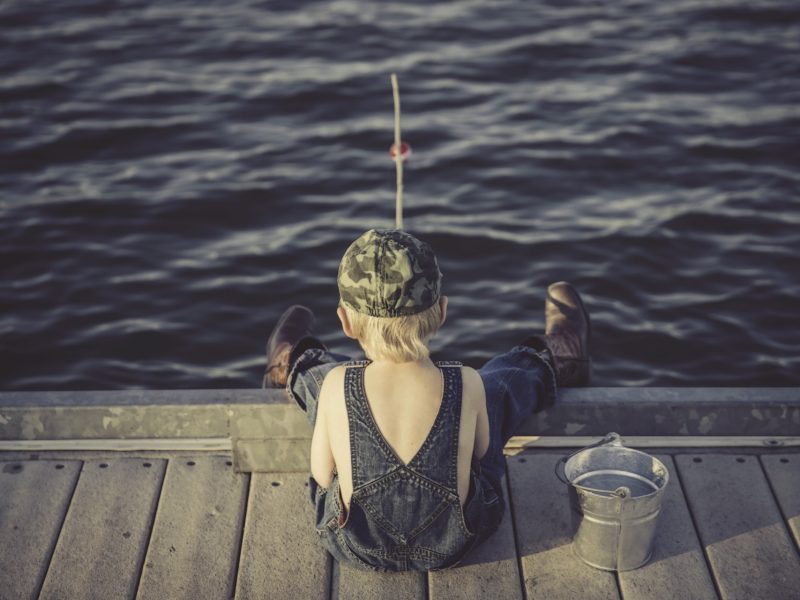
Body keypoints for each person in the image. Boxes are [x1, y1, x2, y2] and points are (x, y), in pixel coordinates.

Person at [262, 228, 591, 571]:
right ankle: (553, 357)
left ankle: (295, 362)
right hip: (456, 542)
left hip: (356, 545)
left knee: (326, 387)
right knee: (493, 390)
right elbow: (482, 453)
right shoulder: (467, 381)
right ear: (443, 311)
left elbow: (323, 477)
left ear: (345, 321)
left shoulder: (336, 383)